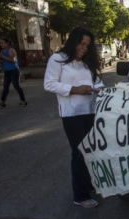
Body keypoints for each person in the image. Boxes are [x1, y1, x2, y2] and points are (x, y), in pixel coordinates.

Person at [44, 27, 104, 209]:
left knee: (91, 151)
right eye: (81, 43)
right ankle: (80, 195)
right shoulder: (58, 59)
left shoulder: (87, 62)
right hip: (71, 114)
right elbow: (49, 84)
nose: (84, 48)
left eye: (87, 45)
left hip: (90, 111)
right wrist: (75, 89)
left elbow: (97, 82)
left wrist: (99, 88)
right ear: (73, 41)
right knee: (79, 153)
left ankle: (88, 185)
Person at [0, 37, 27, 107]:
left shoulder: (11, 50)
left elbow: (13, 60)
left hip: (14, 71)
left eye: (2, 43)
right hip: (6, 71)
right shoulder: (1, 51)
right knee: (5, 86)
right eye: (0, 43)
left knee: (16, 86)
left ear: (7, 43)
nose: (1, 44)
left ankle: (23, 100)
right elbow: (2, 60)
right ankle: (3, 100)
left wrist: (2, 56)